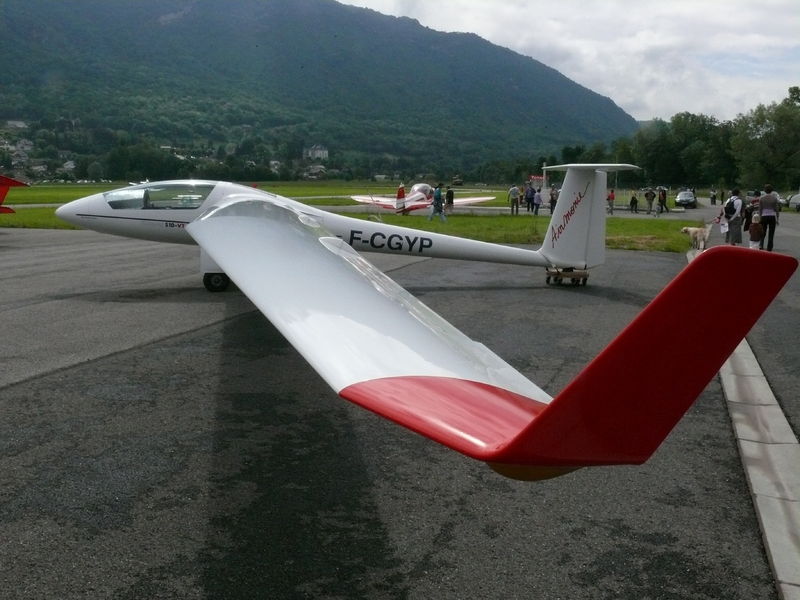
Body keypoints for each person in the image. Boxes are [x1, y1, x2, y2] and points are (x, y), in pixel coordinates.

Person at [758, 183, 780, 251]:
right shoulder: (774, 198)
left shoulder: (762, 198)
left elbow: (760, 209)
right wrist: (777, 218)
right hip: (772, 216)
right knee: (771, 232)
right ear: (771, 190)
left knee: (763, 231)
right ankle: (769, 247)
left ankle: (761, 244)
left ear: (765, 190)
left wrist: (760, 217)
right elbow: (776, 209)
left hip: (764, 216)